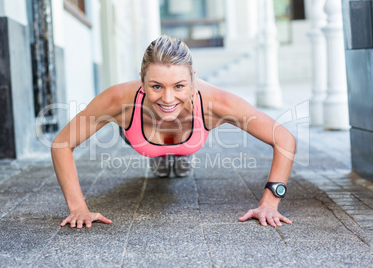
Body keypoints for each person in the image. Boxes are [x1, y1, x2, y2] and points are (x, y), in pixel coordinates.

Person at [51, 35, 296, 229]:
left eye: (179, 86)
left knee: (178, 155)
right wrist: (78, 208)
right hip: (137, 138)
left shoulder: (217, 103)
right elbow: (62, 144)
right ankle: (163, 157)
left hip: (190, 138)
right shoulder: (118, 100)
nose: (168, 98)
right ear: (141, 80)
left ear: (193, 80)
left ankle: (178, 156)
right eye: (156, 86)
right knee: (159, 156)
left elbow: (284, 138)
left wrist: (270, 203)